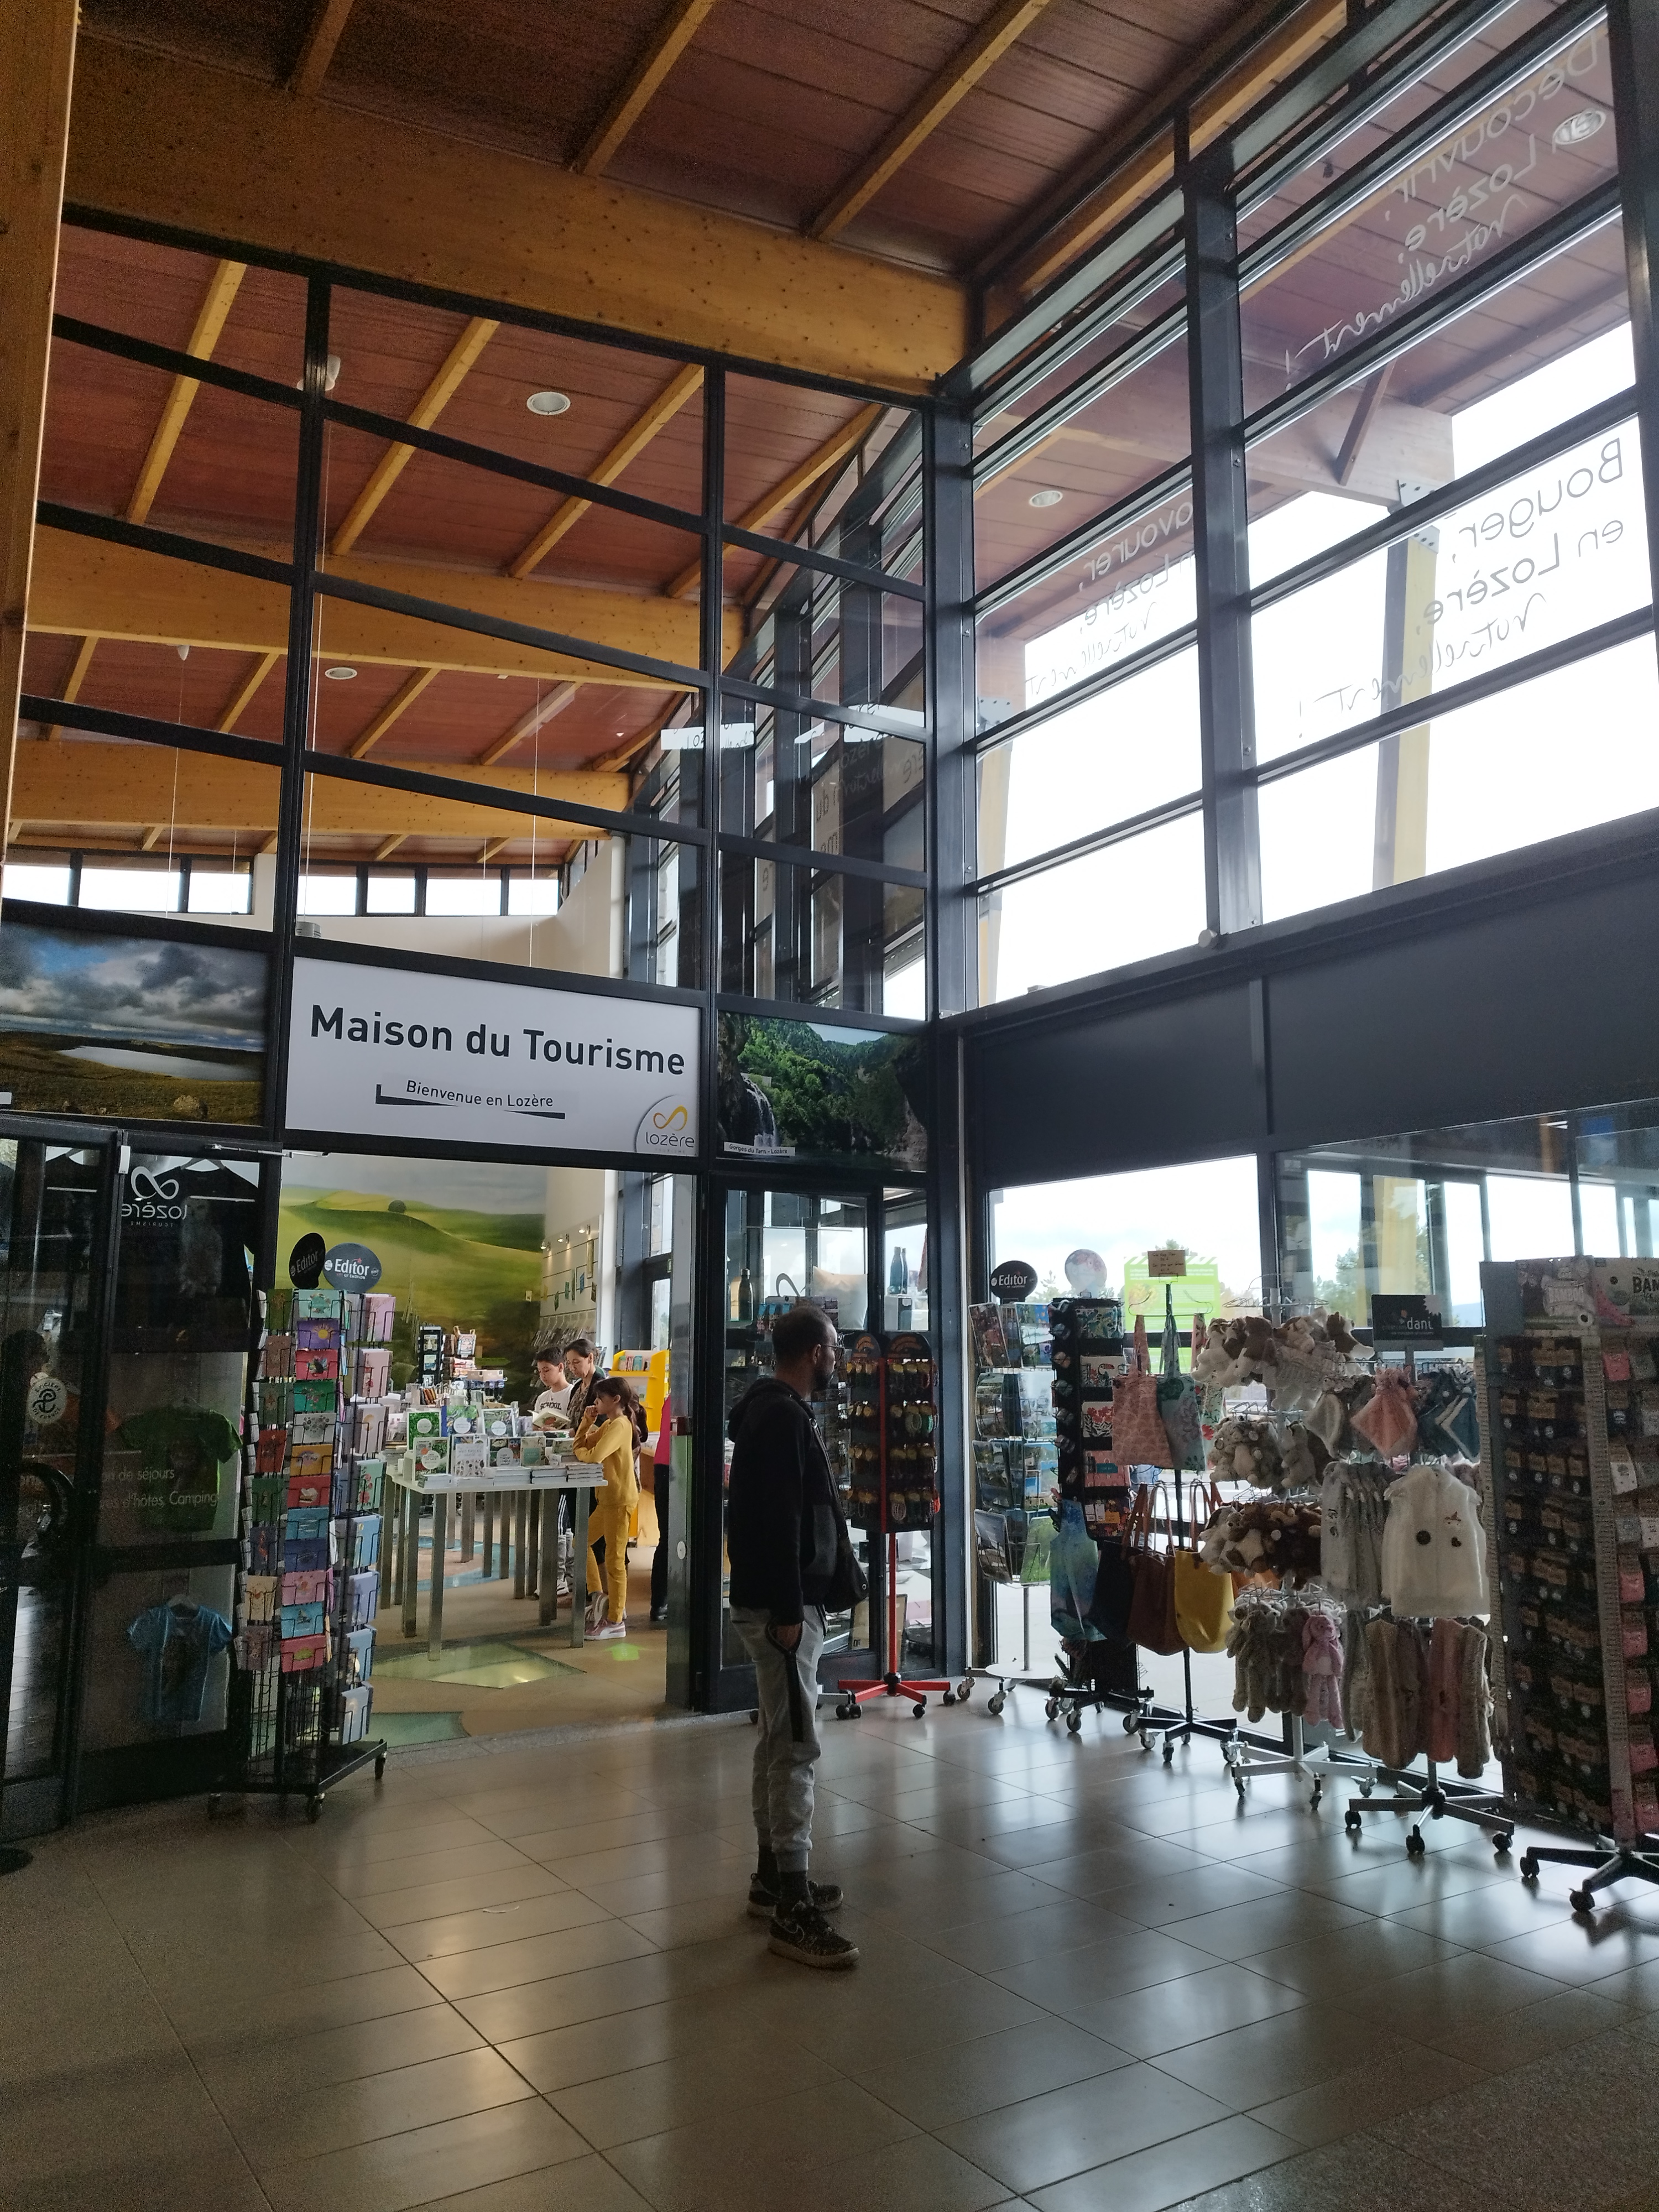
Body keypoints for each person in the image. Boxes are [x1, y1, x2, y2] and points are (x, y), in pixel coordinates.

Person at [726, 1302, 858, 1969]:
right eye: (833, 1346)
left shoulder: (771, 1411)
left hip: (778, 1599)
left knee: (778, 1738)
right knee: (797, 1744)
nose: (837, 1357)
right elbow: (778, 1519)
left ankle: (772, 1877)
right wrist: (787, 1604)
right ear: (814, 1353)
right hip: (783, 1607)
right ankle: (793, 1908)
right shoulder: (781, 1416)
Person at [572, 1373, 640, 1640]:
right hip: (607, 1500)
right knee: (581, 1542)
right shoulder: (610, 1423)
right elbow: (582, 1444)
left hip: (620, 1500)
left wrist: (581, 1454)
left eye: (600, 1399)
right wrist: (587, 1421)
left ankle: (615, 1619)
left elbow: (593, 1456)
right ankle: (599, 1597)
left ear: (616, 1400)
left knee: (615, 1560)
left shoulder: (620, 1425)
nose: (596, 1403)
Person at [648, 1391, 672, 1625]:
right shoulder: (692, 1396)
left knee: (667, 1538)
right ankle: (662, 1603)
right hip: (677, 1465)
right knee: (671, 1538)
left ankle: (659, 1603)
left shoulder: (673, 1397)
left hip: (663, 1465)